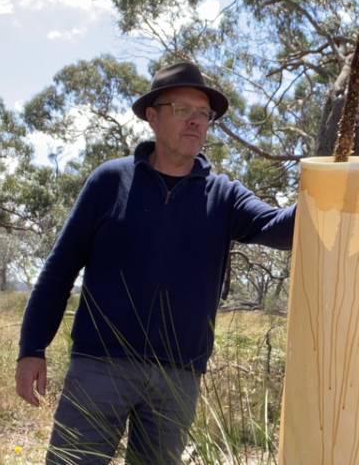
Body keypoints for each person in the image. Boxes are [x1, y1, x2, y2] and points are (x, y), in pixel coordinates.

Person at [15, 60, 295, 464]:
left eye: (204, 114)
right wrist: (32, 347)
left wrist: (330, 194)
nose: (196, 122)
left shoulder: (223, 195)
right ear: (152, 116)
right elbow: (60, 270)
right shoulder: (110, 182)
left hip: (177, 376)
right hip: (100, 366)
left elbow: (279, 226)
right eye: (183, 110)